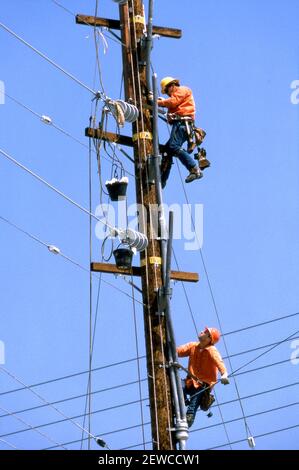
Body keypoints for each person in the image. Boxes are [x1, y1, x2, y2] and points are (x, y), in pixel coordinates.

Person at [177, 326, 229, 428]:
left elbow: (219, 362)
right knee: (177, 384)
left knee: (192, 406)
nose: (202, 331)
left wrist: (224, 374)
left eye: (205, 332)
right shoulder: (193, 346)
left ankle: (187, 423)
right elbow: (178, 351)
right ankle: (181, 401)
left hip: (203, 385)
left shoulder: (212, 350)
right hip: (190, 381)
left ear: (209, 339)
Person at [157, 77, 203, 188]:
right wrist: (160, 103)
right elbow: (171, 112)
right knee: (166, 151)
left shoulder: (183, 90)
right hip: (179, 124)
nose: (167, 94)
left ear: (171, 86)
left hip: (183, 124)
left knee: (173, 146)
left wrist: (158, 102)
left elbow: (173, 102)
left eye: (167, 91)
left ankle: (194, 169)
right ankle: (162, 180)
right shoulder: (176, 98)